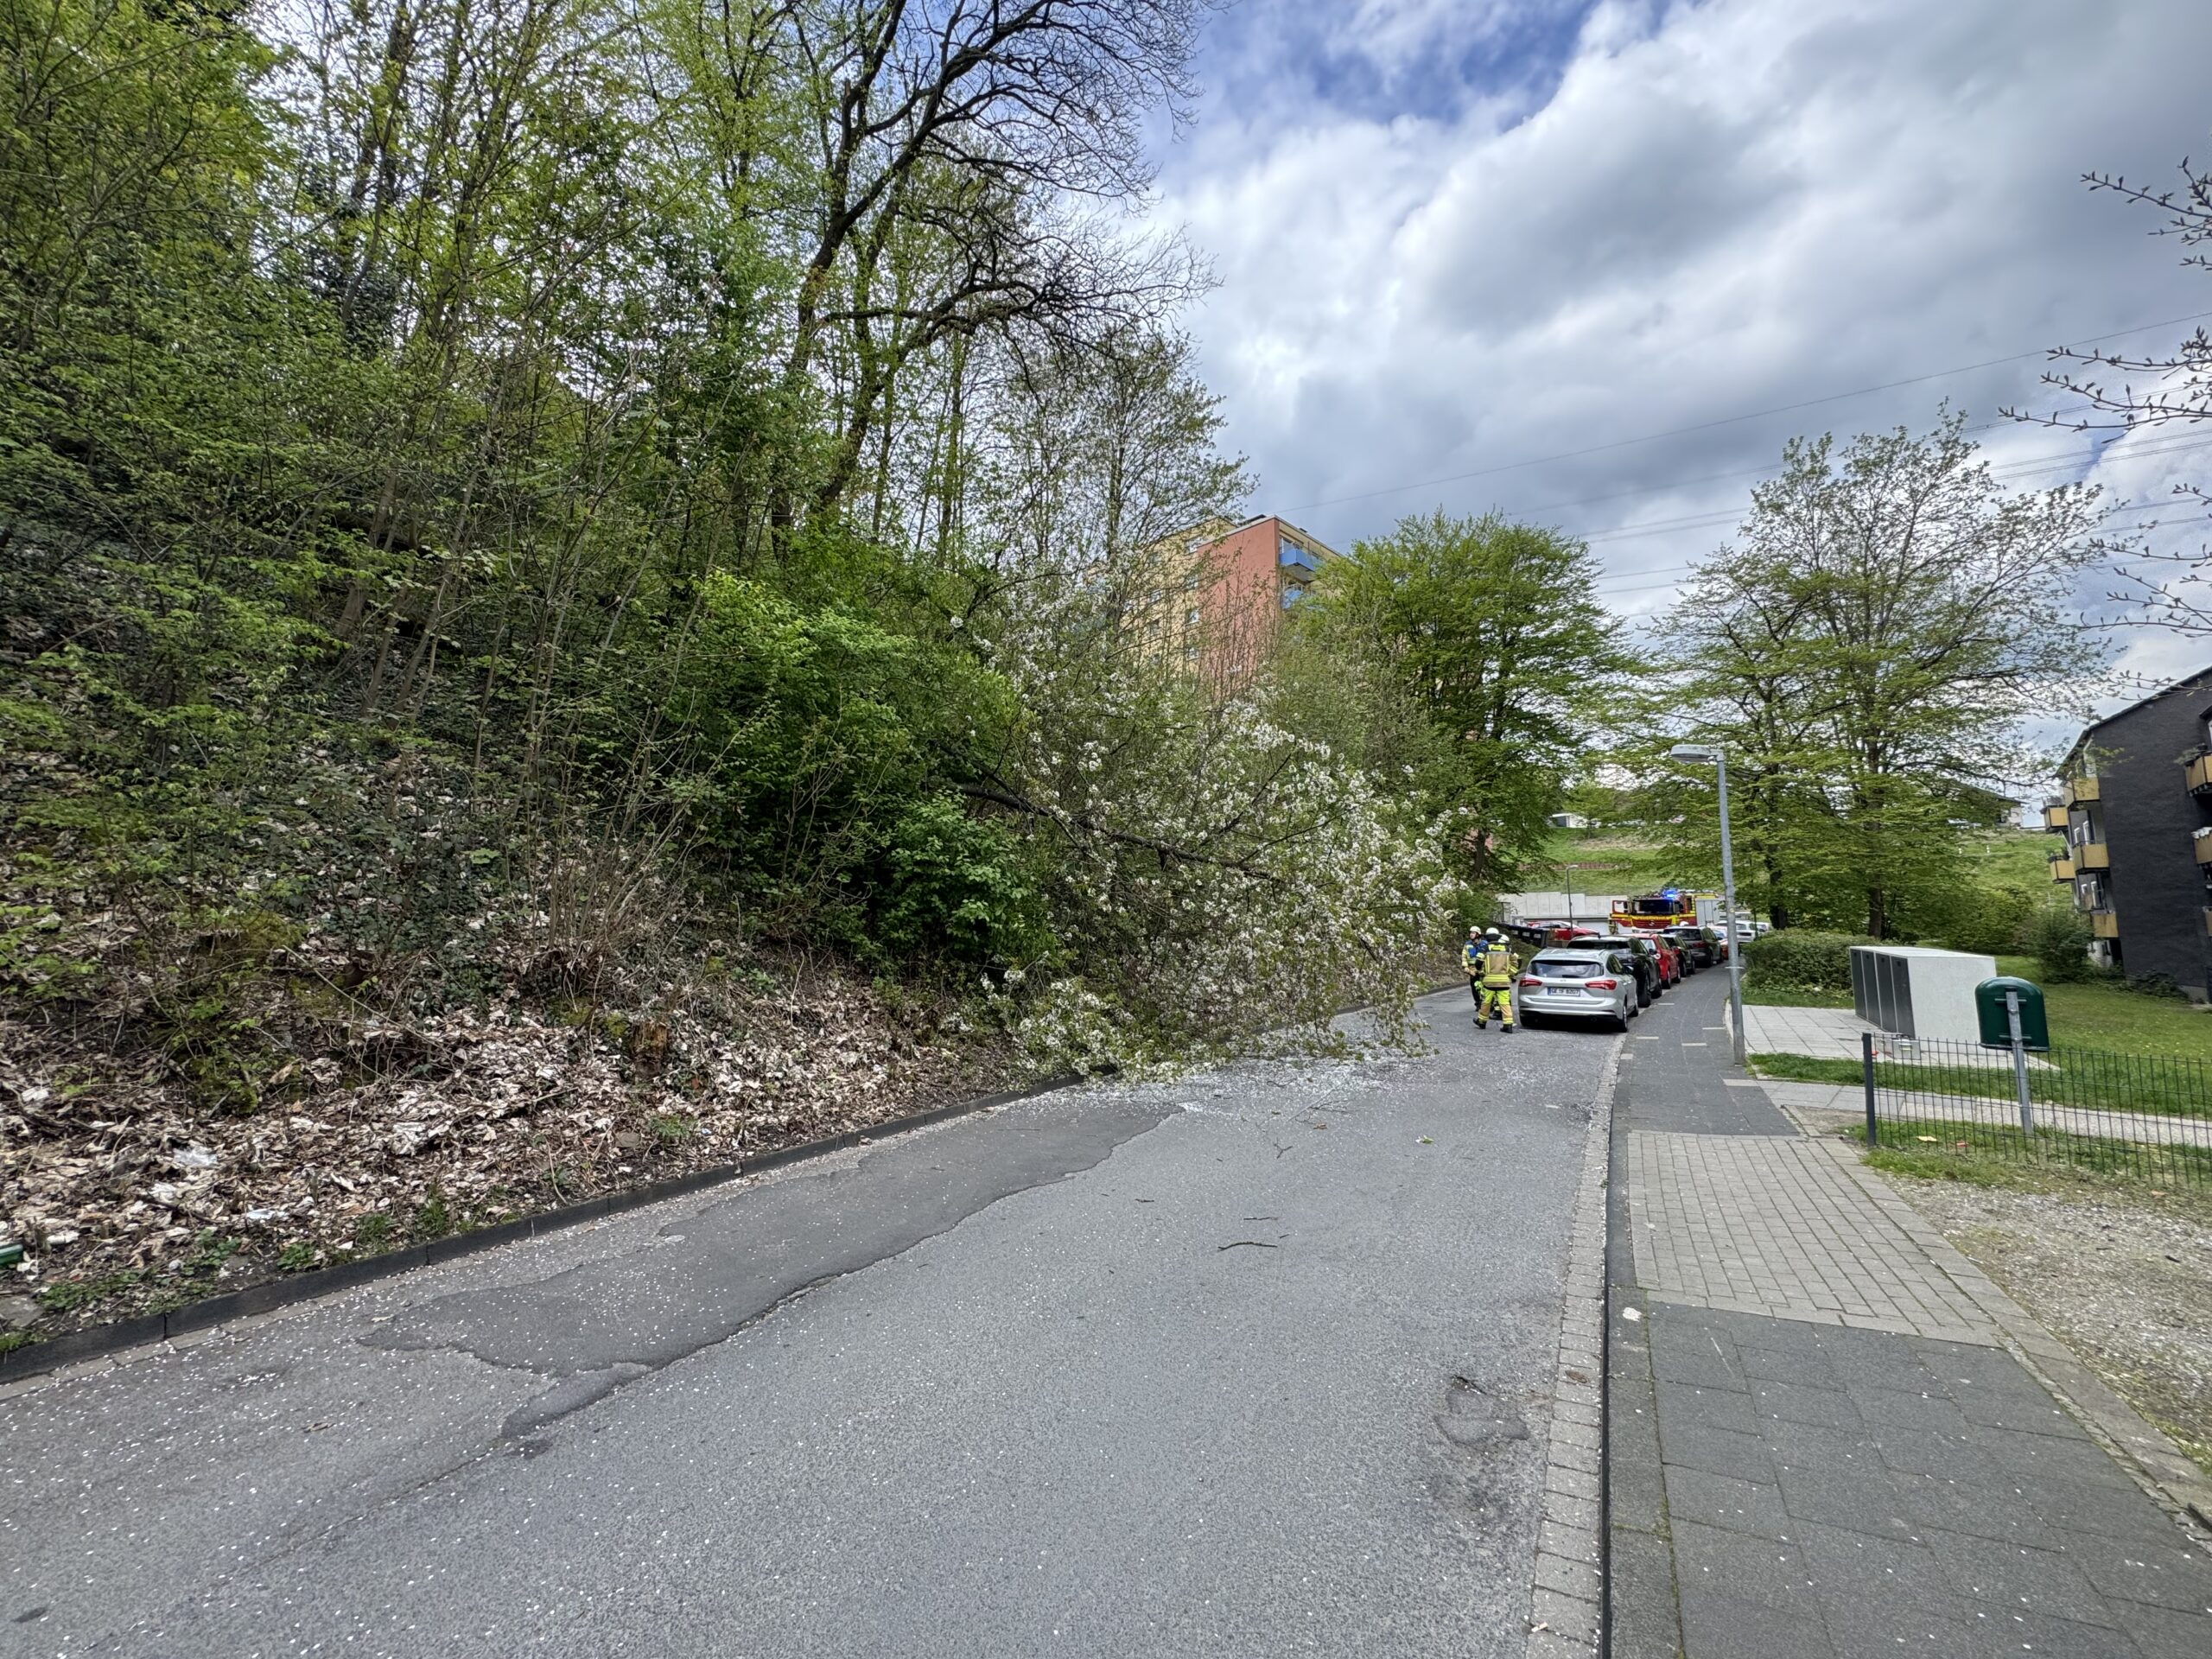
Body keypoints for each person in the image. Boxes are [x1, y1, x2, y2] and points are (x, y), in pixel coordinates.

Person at [1465, 925, 1520, 1032]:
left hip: (1489, 981)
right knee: (1505, 1003)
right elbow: (1517, 961)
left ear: (1487, 938)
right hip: (1504, 981)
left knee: (1486, 1002)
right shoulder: (1507, 948)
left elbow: (1478, 962)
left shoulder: (1485, 948)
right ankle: (1508, 1025)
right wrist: (1510, 974)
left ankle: (1482, 1021)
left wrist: (1482, 972)